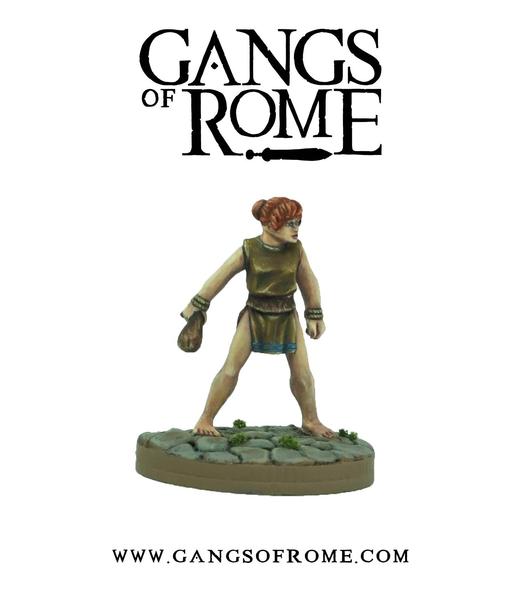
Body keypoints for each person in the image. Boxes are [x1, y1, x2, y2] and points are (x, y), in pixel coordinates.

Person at [181, 196, 334, 438]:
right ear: (268, 224)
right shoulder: (249, 249)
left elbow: (309, 281)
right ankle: (206, 418)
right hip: (254, 315)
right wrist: (198, 305)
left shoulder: (297, 250)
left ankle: (311, 420)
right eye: (290, 223)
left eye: (298, 222)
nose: (296, 228)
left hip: (287, 315)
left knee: (303, 374)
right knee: (230, 369)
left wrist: (314, 313)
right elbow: (220, 276)